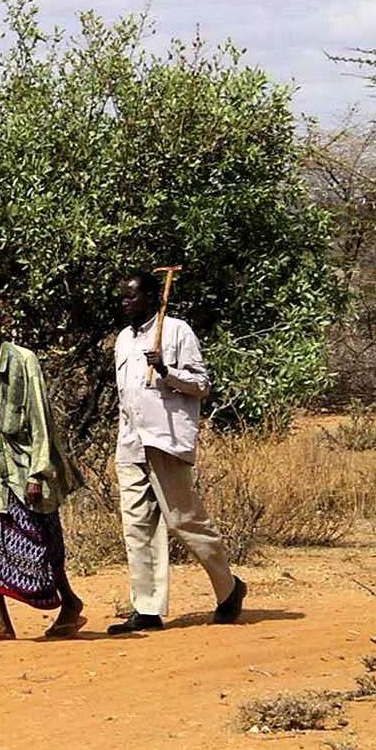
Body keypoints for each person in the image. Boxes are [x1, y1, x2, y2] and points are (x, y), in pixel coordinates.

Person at [106, 271, 247, 633]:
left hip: (165, 440)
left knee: (183, 520)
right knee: (136, 527)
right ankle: (147, 609)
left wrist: (167, 371)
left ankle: (228, 588)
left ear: (153, 297)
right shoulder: (123, 339)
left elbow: (201, 384)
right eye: (122, 296)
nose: (125, 302)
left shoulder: (177, 331)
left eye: (131, 296)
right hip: (132, 442)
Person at [0, 292, 86, 640]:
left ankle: (69, 604)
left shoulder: (25, 361)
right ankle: (3, 624)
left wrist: (39, 473)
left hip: (26, 467)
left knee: (44, 542)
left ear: (1, 321)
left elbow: (41, 420)